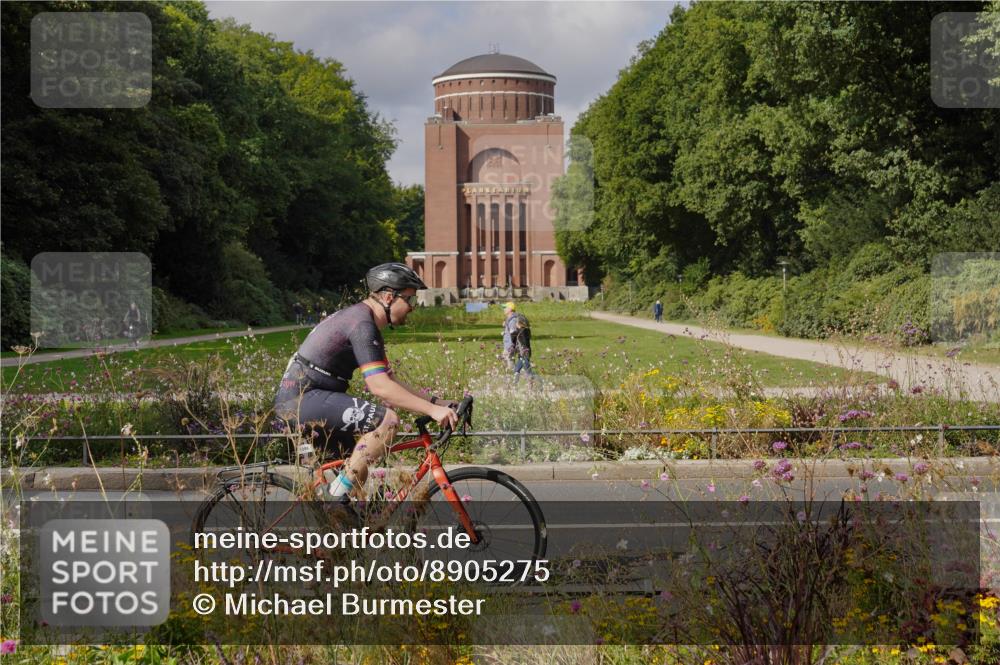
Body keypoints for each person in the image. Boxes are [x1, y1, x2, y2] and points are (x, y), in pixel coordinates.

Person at [274, 263, 459, 518]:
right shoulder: (362, 325)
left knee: (358, 469)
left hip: (310, 398)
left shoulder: (362, 319)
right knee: (388, 421)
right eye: (409, 298)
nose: (412, 307)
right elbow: (379, 387)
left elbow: (389, 379)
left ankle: (340, 541)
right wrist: (433, 411)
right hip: (302, 400)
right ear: (387, 296)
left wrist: (439, 402)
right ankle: (335, 500)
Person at [511, 311, 536, 384]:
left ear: (519, 324)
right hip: (521, 353)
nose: (515, 324)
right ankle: (516, 378)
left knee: (527, 368)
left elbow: (522, 339)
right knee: (518, 368)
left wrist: (524, 349)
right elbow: (515, 338)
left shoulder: (524, 331)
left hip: (524, 352)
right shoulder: (523, 331)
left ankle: (532, 380)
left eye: (516, 323)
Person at [501, 302, 519, 371]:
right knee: (504, 359)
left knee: (509, 361)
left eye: (505, 307)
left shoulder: (512, 320)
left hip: (510, 345)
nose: (504, 309)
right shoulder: (509, 319)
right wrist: (505, 332)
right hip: (507, 344)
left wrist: (512, 346)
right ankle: (511, 373)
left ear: (510, 309)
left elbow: (514, 333)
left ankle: (513, 374)